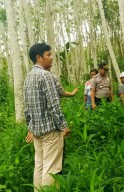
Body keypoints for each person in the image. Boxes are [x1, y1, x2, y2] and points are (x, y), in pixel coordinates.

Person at [24, 42, 70, 191]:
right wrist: (64, 126)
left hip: (37, 131)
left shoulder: (28, 78)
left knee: (40, 165)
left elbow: (27, 107)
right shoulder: (46, 75)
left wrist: (30, 127)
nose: (51, 57)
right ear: (39, 57)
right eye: (48, 55)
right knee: (51, 168)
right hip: (50, 130)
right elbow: (54, 104)